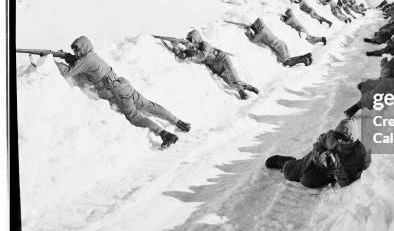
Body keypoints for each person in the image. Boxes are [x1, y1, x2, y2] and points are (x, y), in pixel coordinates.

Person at [54, 36, 189, 149]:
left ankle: (165, 134)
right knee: (149, 105)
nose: (76, 53)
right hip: (123, 85)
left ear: (83, 48)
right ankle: (178, 122)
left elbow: (67, 72)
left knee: (134, 117)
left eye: (77, 50)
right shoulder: (92, 56)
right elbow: (85, 71)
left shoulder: (86, 60)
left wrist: (52, 60)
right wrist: (69, 58)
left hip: (117, 92)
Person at [265, 118, 370, 188]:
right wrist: (321, 156)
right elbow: (317, 145)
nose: (339, 141)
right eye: (338, 137)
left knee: (306, 180)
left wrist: (336, 167)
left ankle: (296, 166)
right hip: (315, 159)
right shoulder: (331, 137)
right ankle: (286, 163)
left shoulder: (356, 155)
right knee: (290, 173)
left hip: (328, 172)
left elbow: (344, 181)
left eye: (343, 139)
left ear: (351, 140)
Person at [162, 29, 260, 100]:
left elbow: (201, 56)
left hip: (222, 58)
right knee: (230, 82)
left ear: (196, 40)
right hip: (216, 68)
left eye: (192, 41)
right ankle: (249, 87)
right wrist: (175, 47)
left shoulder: (205, 45)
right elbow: (182, 56)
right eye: (189, 41)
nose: (190, 43)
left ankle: (241, 92)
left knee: (233, 74)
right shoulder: (192, 49)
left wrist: (190, 47)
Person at [245, 18, 313, 67]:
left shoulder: (262, 32)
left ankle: (304, 60)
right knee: (288, 59)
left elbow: (253, 40)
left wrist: (249, 34)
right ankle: (306, 56)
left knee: (287, 62)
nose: (254, 26)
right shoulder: (265, 28)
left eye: (255, 25)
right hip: (281, 43)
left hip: (279, 46)